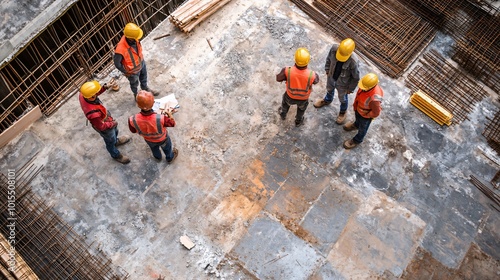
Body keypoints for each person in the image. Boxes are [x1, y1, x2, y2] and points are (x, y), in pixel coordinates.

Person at [79, 81, 131, 164]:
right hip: (104, 125)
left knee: (114, 133)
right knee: (110, 140)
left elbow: (94, 93)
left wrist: (105, 87)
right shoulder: (93, 114)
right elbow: (101, 127)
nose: (97, 93)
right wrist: (112, 124)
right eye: (95, 93)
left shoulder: (83, 95)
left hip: (104, 116)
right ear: (92, 96)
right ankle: (116, 155)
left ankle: (116, 141)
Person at [313, 38, 360, 125]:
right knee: (329, 89)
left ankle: (342, 112)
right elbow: (328, 59)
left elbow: (356, 78)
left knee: (343, 99)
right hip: (331, 76)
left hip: (343, 84)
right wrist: (327, 69)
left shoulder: (353, 61)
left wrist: (350, 88)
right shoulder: (334, 49)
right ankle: (327, 100)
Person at [128, 90, 178, 163]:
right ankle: (170, 158)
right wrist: (170, 116)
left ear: (138, 105)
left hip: (149, 140)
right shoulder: (161, 118)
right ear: (153, 104)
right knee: (167, 149)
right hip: (162, 139)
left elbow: (133, 131)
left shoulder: (132, 119)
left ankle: (158, 157)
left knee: (154, 149)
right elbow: (172, 124)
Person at [276, 47, 320, 126]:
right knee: (301, 109)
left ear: (295, 59)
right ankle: (298, 121)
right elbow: (316, 81)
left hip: (290, 96)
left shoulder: (287, 70)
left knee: (285, 105)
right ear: (308, 61)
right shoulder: (312, 75)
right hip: (303, 99)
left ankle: (283, 114)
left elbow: (278, 79)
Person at [114, 23, 158, 99]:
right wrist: (126, 72)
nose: (137, 38)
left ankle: (145, 88)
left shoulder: (135, 39)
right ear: (130, 38)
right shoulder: (120, 49)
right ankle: (136, 95)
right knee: (134, 83)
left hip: (141, 63)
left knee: (144, 77)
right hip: (132, 71)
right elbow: (117, 64)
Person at [342, 73, 383, 149]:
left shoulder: (375, 98)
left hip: (366, 115)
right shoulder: (365, 86)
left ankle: (357, 140)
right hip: (359, 109)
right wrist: (356, 106)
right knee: (358, 119)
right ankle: (356, 125)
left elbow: (376, 112)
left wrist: (367, 115)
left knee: (363, 128)